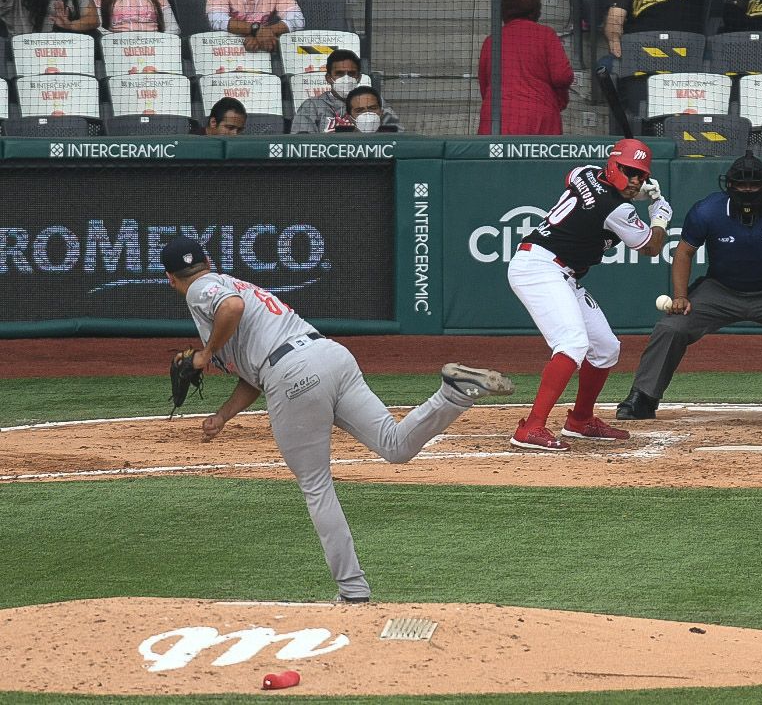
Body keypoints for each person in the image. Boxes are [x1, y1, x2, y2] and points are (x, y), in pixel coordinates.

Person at [160, 235, 514, 601]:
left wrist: (205, 354)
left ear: (170, 279)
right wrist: (223, 415)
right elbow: (254, 375)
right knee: (395, 445)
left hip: (293, 374)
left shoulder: (199, 289)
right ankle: (454, 393)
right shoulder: (231, 283)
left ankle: (353, 591)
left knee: (316, 486)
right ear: (208, 261)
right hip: (329, 355)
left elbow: (230, 308)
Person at [616, 151, 762, 420]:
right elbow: (684, 252)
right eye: (741, 185)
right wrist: (680, 296)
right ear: (730, 185)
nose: (747, 191)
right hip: (719, 290)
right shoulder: (708, 210)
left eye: (754, 185)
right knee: (671, 327)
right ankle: (643, 397)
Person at [508, 138, 673, 451]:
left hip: (561, 271)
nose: (635, 180)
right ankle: (531, 427)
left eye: (640, 175)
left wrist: (630, 190)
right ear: (613, 165)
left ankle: (580, 420)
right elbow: (651, 247)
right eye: (629, 171)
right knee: (572, 343)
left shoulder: (584, 171)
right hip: (539, 268)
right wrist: (659, 216)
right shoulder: (618, 209)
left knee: (605, 348)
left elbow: (574, 178)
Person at [477, 0, 574, 135]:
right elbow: (562, 76)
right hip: (537, 117)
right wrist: (558, 100)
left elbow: (485, 85)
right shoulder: (545, 35)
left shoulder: (492, 41)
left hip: (496, 119)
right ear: (535, 9)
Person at [604, 0, 724, 59]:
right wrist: (615, 40)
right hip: (640, 51)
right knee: (604, 66)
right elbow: (614, 19)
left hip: (685, 51)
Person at [291, 50, 402, 134]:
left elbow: (398, 134)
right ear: (328, 78)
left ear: (358, 77)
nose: (346, 78)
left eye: (351, 74)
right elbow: (301, 142)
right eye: (339, 73)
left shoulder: (374, 101)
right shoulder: (312, 105)